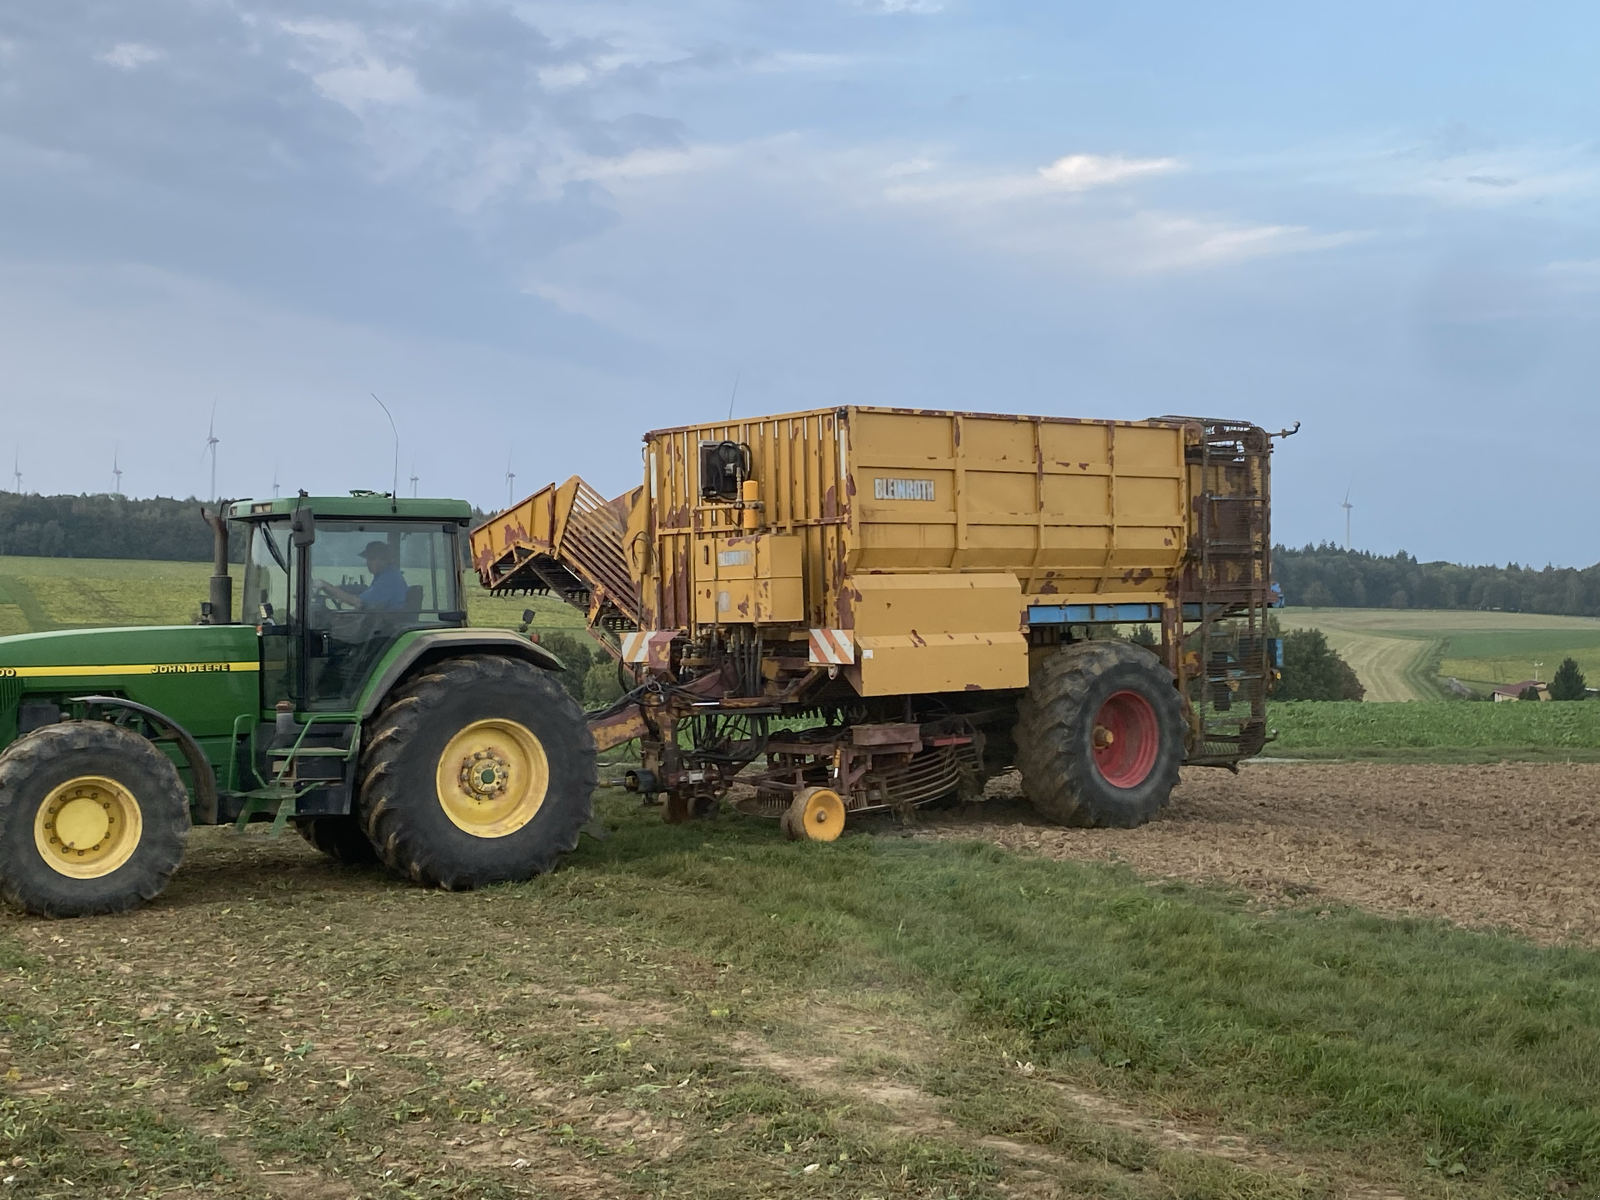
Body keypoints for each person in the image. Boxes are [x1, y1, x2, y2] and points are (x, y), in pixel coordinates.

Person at [317, 541, 408, 611]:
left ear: (385, 559)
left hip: (385, 626)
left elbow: (358, 602)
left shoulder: (389, 579)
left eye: (372, 559)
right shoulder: (385, 576)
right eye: (367, 559)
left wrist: (324, 584)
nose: (368, 563)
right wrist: (338, 591)